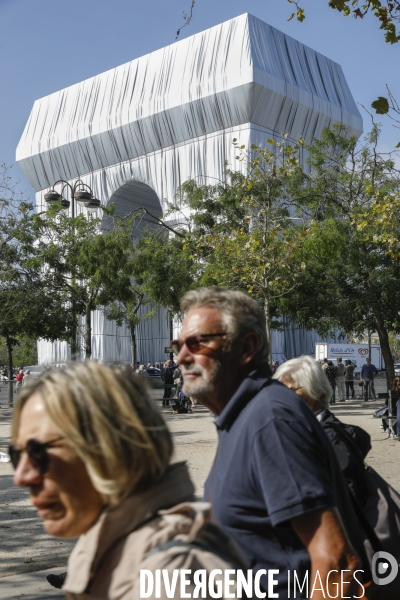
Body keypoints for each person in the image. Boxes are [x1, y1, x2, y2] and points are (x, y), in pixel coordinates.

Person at [174, 286, 369, 599]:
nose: (182, 356)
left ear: (246, 347)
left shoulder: (270, 420)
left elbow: (336, 563)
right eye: (179, 344)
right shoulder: (242, 417)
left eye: (198, 343)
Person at [10, 362, 249, 599]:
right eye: (16, 455)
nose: (21, 476)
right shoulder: (110, 547)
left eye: (39, 453)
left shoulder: (171, 570)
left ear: (109, 450)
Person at [273, 356, 372, 507]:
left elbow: (350, 500)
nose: (283, 398)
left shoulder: (331, 438)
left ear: (316, 391)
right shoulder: (303, 431)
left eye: (292, 390)